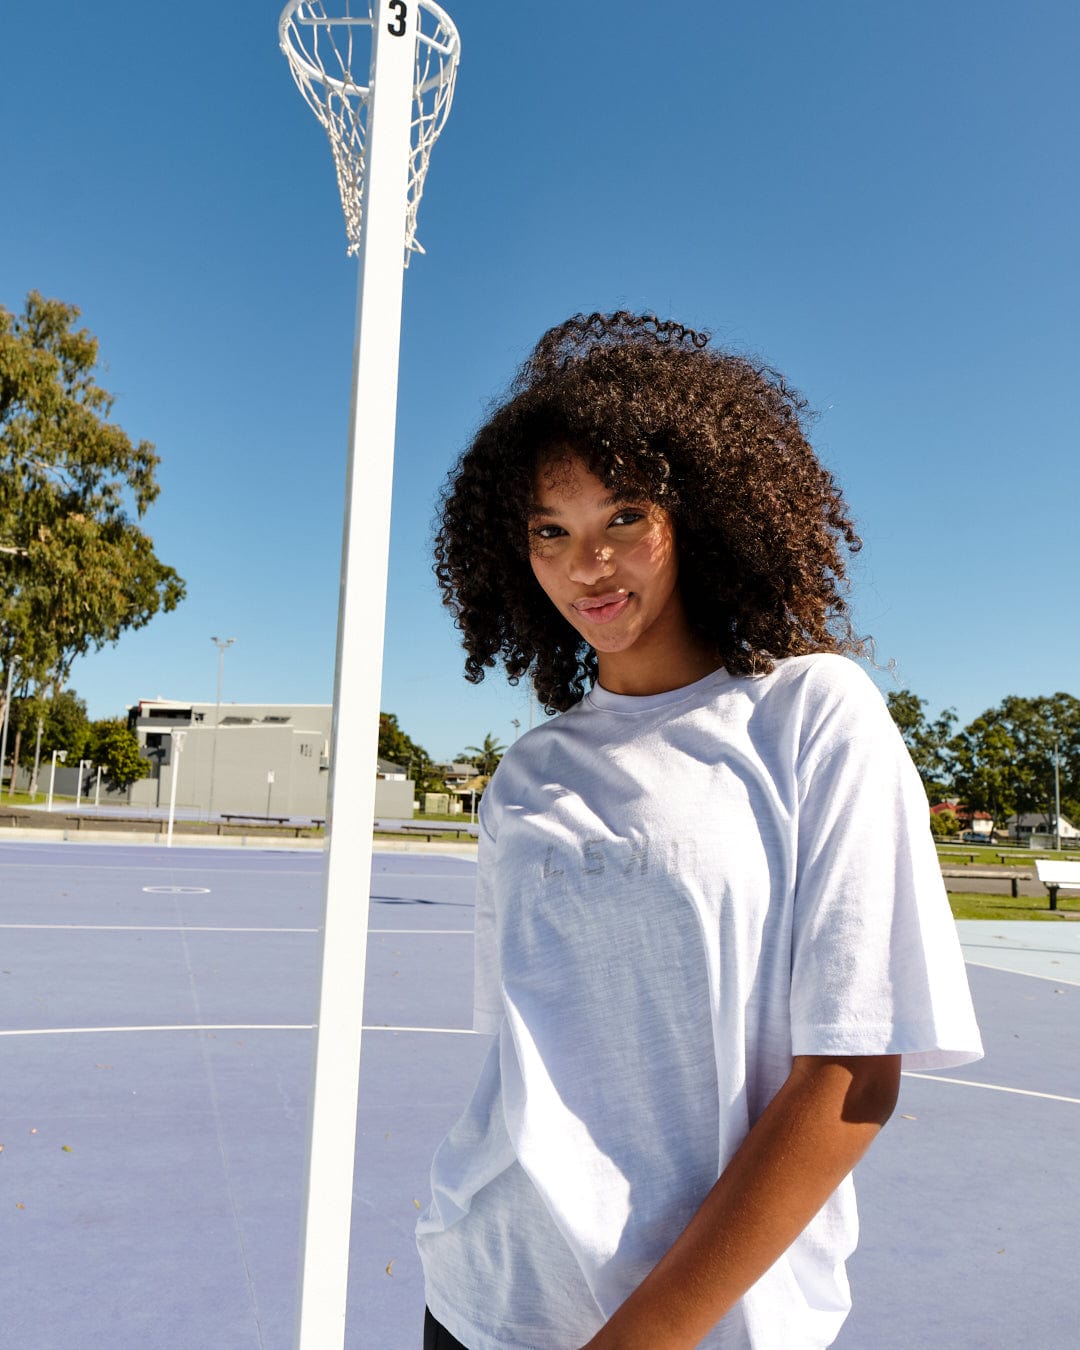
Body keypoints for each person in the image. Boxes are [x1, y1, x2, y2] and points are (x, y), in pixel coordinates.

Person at [415, 312, 983, 1350]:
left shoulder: (813, 713)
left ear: (701, 509)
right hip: (487, 1297)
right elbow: (525, 1067)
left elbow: (853, 1077)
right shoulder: (527, 775)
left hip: (706, 1331)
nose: (586, 563)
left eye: (622, 516)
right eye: (550, 529)